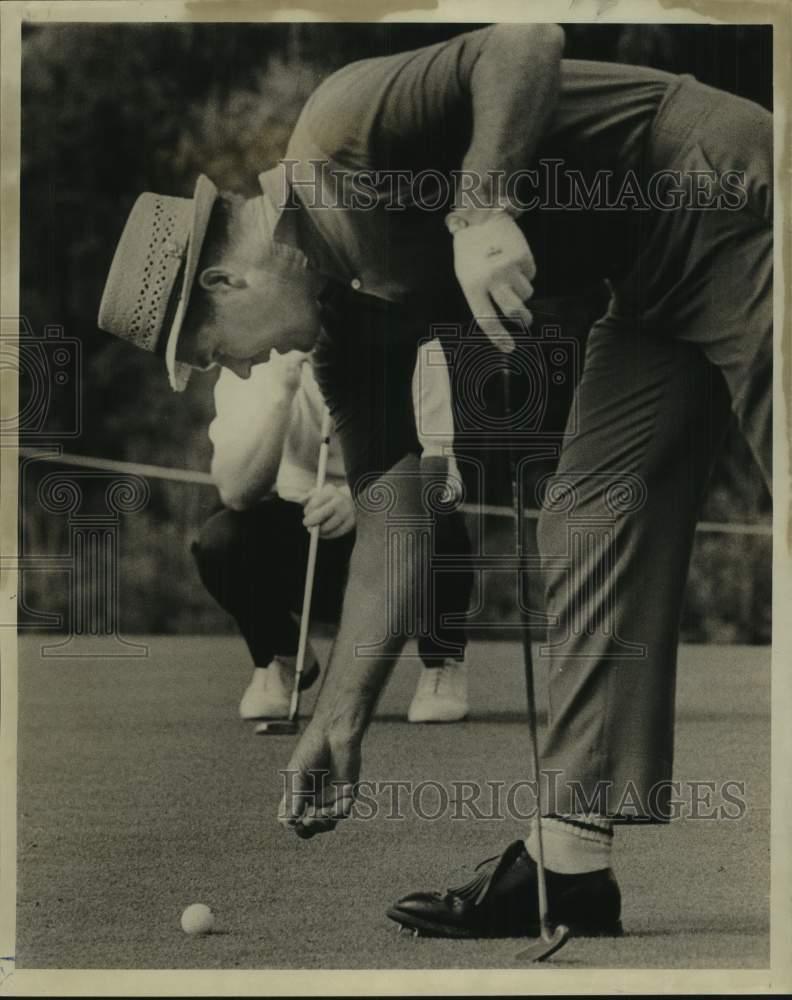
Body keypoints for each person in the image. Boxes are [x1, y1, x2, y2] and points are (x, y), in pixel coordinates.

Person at [97, 24, 771, 938]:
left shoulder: (339, 130)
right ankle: (568, 866)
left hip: (718, 183)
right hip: (650, 284)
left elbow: (525, 43)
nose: (245, 368)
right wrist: (341, 718)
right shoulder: (347, 325)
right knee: (585, 516)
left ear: (223, 279)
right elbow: (396, 513)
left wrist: (478, 209)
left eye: (217, 353)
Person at [192, 344, 473, 724]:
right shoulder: (252, 351)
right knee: (221, 538)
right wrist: (280, 394)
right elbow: (235, 491)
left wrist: (362, 503)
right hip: (305, 529)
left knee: (441, 517)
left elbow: (443, 476)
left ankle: (443, 661)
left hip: (391, 529)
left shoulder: (417, 344)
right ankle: (281, 655)